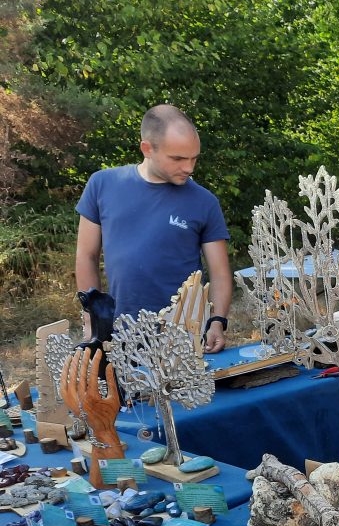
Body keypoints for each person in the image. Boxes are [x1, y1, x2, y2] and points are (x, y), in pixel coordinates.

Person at [75, 104, 232, 352]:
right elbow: (87, 255)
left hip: (185, 337)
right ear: (147, 149)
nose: (189, 168)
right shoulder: (102, 185)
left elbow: (220, 272)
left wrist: (217, 322)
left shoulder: (204, 202)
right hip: (121, 334)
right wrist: (92, 319)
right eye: (178, 159)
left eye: (194, 158)